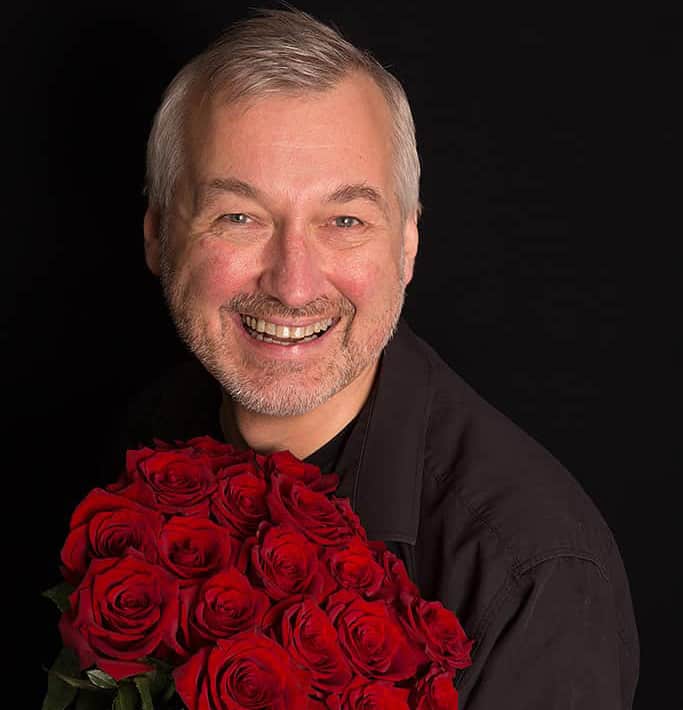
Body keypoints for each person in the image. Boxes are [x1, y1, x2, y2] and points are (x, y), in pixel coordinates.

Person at [117, 6, 640, 707]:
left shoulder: (528, 575)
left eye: (344, 222)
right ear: (157, 237)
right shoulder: (155, 428)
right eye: (238, 217)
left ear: (407, 245)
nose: (293, 284)